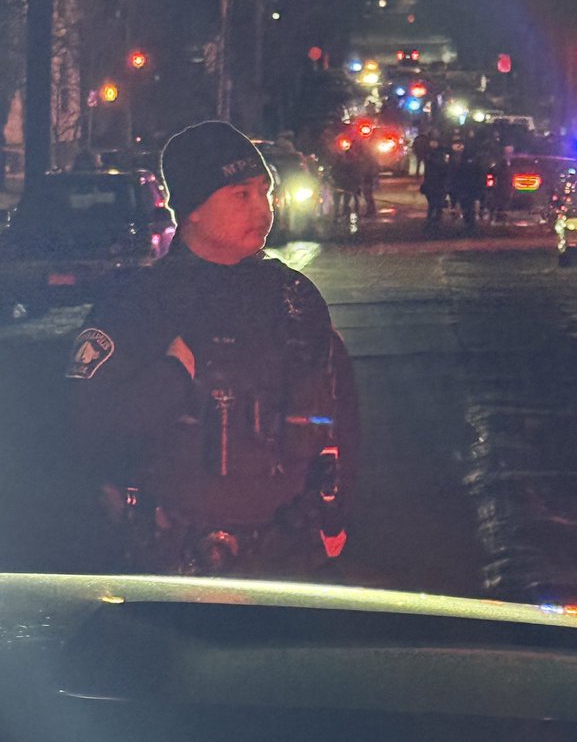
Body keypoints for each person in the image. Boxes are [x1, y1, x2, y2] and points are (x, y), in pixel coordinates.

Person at [65, 120, 358, 575]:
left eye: (264, 192)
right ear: (193, 210)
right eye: (241, 195)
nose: (261, 208)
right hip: (167, 558)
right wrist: (170, 380)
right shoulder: (138, 301)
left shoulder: (293, 298)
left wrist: (335, 513)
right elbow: (85, 425)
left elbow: (339, 414)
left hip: (283, 555)